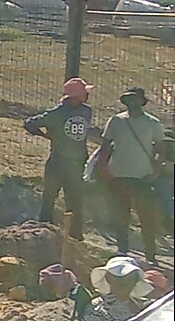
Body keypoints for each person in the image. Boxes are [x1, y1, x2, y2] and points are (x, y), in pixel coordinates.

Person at [94, 87, 166, 264]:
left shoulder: (153, 123)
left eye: (135, 99)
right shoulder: (116, 121)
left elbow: (160, 150)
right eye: (129, 100)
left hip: (143, 176)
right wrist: (103, 169)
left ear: (142, 101)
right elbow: (105, 146)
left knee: (146, 218)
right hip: (119, 176)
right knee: (121, 216)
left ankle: (150, 255)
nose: (132, 103)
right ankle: (123, 251)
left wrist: (156, 170)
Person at [23, 79, 94, 248]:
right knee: (52, 197)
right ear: (77, 96)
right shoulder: (68, 113)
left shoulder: (72, 112)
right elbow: (29, 123)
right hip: (62, 161)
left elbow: (30, 124)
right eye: (85, 92)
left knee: (72, 200)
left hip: (71, 162)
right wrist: (45, 135)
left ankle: (74, 237)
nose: (88, 94)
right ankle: (46, 233)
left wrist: (47, 134)